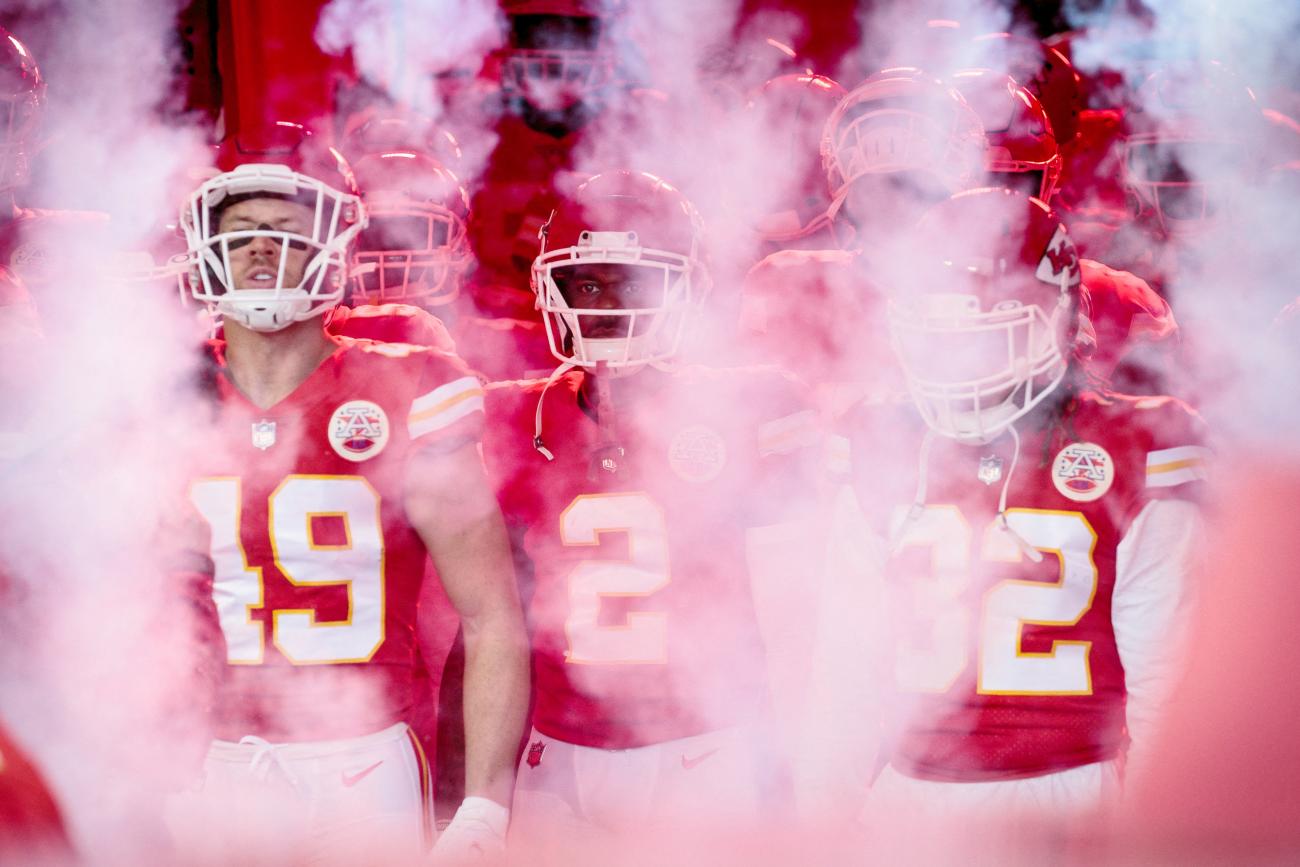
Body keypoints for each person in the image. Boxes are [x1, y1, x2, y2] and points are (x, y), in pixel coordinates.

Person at [172, 124, 528, 864]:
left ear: (333, 240)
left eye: (286, 227)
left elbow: (490, 613)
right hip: (221, 763)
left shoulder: (405, 385)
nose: (262, 245)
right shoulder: (170, 398)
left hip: (363, 761)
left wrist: (485, 806)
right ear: (203, 242)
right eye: (239, 229)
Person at [839, 188, 1205, 826]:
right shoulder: (882, 439)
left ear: (1058, 321)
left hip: (1071, 790)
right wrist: (828, 815)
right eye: (944, 335)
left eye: (990, 333)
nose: (964, 362)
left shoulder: (1131, 444)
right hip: (908, 791)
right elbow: (840, 672)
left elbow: (1168, 687)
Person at [481, 171, 819, 854]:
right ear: (555, 291)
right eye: (590, 284)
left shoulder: (753, 404)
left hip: (704, 742)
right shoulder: (513, 413)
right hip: (561, 749)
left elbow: (804, 610)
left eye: (634, 282)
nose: (609, 305)